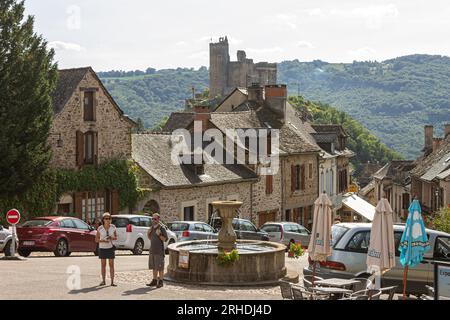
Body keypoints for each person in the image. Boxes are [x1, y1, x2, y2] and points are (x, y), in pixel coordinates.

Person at [95, 212, 118, 286]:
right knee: (103, 265)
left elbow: (116, 237)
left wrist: (111, 238)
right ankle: (103, 281)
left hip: (110, 248)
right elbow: (96, 239)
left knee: (111, 265)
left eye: (109, 218)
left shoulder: (113, 227)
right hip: (102, 248)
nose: (108, 220)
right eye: (106, 218)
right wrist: (103, 240)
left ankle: (112, 281)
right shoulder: (100, 228)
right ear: (103, 220)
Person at [146, 213, 167, 288]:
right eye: (152, 219)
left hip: (159, 251)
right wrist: (148, 234)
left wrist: (159, 235)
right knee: (154, 267)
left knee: (160, 267)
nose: (153, 220)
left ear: (158, 219)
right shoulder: (152, 227)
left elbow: (165, 239)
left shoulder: (162, 228)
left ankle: (160, 281)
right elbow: (150, 238)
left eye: (155, 219)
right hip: (152, 250)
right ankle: (154, 280)